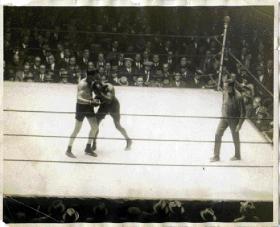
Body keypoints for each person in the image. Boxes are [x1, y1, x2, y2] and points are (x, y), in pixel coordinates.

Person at [66, 70, 101, 158]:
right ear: (88, 76)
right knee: (77, 129)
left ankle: (88, 148)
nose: (94, 79)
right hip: (81, 107)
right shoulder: (82, 84)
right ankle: (68, 149)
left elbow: (92, 93)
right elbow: (79, 97)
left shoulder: (92, 82)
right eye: (93, 77)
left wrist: (95, 100)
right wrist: (90, 101)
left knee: (95, 127)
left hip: (88, 107)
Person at [91, 80, 132, 153]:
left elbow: (109, 99)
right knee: (96, 124)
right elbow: (96, 103)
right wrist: (94, 101)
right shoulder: (98, 92)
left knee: (117, 125)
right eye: (95, 92)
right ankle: (94, 142)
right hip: (104, 105)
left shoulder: (110, 87)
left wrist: (100, 94)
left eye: (96, 91)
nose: (95, 93)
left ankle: (128, 140)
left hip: (113, 105)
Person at [210, 77, 245, 162]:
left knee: (235, 137)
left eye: (226, 87)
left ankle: (237, 155)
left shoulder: (239, 97)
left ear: (231, 87)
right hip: (224, 118)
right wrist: (223, 113)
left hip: (234, 119)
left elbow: (243, 113)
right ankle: (216, 156)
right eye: (224, 86)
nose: (224, 88)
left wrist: (239, 125)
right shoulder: (224, 92)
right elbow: (223, 103)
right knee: (218, 134)